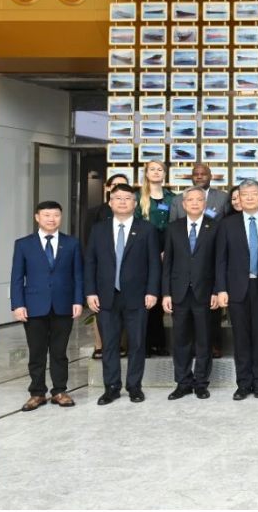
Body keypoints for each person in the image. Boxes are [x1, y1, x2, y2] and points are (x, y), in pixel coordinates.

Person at [84, 184, 161, 405]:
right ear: (110, 202)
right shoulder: (99, 229)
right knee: (109, 344)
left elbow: (154, 263)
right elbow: (90, 262)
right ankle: (111, 387)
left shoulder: (146, 229)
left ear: (134, 203)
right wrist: (90, 292)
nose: (122, 202)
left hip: (137, 296)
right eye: (118, 198)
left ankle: (134, 386)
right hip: (105, 296)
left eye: (127, 198)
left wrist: (152, 291)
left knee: (137, 343)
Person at [11, 201, 83, 411]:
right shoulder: (23, 244)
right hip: (33, 305)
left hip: (63, 304)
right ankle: (37, 393)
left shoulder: (72, 243)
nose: (52, 219)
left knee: (59, 351)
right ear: (37, 217)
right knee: (37, 351)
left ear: (61, 217)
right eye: (47, 215)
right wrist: (18, 304)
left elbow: (78, 275)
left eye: (56, 215)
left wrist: (78, 301)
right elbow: (17, 277)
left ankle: (60, 391)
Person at [215, 179, 258, 400]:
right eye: (245, 194)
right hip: (236, 288)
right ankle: (243, 383)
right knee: (241, 337)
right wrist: (221, 289)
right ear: (239, 199)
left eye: (254, 193)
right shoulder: (227, 224)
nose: (250, 197)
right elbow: (221, 259)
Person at [161, 188, 220, 400]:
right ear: (184, 204)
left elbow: (219, 262)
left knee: (204, 340)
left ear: (205, 203)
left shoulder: (215, 226)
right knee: (181, 340)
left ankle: (201, 383)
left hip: (205, 292)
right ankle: (183, 382)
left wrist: (217, 290)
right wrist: (166, 293)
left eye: (199, 200)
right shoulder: (173, 228)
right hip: (179, 292)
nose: (195, 203)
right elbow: (167, 263)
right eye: (190, 200)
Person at [84, 173, 129, 360]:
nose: (119, 188)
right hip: (103, 272)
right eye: (115, 185)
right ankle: (99, 345)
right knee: (100, 311)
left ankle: (121, 344)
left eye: (123, 185)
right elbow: (88, 245)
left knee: (124, 312)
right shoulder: (96, 212)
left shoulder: (134, 212)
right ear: (108, 188)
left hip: (126, 272)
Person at [134, 160, 174, 358]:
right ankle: (145, 345)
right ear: (146, 173)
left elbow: (176, 224)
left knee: (159, 297)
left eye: (160, 169)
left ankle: (159, 342)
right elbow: (134, 225)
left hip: (166, 248)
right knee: (145, 299)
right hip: (143, 249)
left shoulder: (172, 197)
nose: (156, 172)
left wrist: (168, 249)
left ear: (164, 174)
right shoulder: (137, 197)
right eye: (152, 169)